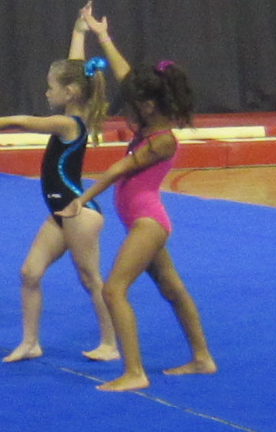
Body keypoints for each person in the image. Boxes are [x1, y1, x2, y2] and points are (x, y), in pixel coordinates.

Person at [63, 52, 219, 394]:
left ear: (148, 106)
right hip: (141, 222)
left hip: (148, 222)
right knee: (172, 290)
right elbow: (127, 76)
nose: (127, 111)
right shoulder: (151, 121)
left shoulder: (163, 140)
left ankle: (134, 372)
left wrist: (82, 199)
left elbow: (119, 169)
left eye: (133, 105)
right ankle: (202, 358)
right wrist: (104, 38)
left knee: (113, 290)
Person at [0, 3, 117, 365]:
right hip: (61, 211)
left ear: (69, 92)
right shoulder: (75, 109)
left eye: (50, 87)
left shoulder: (69, 124)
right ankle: (30, 342)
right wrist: (78, 32)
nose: (46, 92)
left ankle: (111, 343)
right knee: (29, 272)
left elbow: (24, 121)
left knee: (90, 278)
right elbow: (76, 69)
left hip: (78, 211)